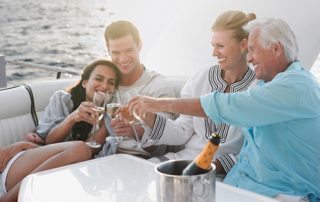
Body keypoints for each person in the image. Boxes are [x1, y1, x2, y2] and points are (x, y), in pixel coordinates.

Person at [129, 18, 320, 202]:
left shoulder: (295, 86)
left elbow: (229, 106)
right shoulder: (266, 84)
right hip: (241, 183)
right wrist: (147, 117)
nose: (250, 57)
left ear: (276, 48)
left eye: (253, 50)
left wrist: (160, 103)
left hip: (279, 191)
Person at [122, 10, 257, 175]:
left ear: (243, 45)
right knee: (137, 175)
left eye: (220, 46)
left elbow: (252, 150)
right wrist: (148, 117)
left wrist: (207, 168)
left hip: (226, 173)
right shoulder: (202, 78)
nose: (214, 53)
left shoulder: (257, 89)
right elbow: (183, 130)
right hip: (184, 160)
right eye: (213, 45)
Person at [1, 59, 121, 202]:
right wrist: (73, 117)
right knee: (80, 148)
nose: (105, 85)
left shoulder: (109, 117)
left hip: (57, 179)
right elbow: (49, 140)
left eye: (111, 82)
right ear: (84, 82)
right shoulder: (63, 99)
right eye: (99, 79)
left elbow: (88, 154)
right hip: (22, 170)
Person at [100, 20, 176, 158]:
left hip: (141, 162)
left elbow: (163, 143)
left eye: (129, 50)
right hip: (106, 156)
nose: (123, 59)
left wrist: (135, 130)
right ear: (108, 50)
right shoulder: (106, 84)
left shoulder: (159, 87)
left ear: (139, 45)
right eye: (116, 53)